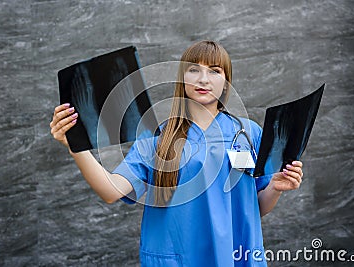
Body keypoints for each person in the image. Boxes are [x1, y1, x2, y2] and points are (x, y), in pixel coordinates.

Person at [50, 40, 303, 266]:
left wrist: (276, 188)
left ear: (226, 83)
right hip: (178, 258)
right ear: (182, 79)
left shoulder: (249, 134)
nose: (203, 79)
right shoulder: (157, 137)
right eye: (194, 70)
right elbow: (110, 191)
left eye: (214, 71)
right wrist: (77, 148)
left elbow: (256, 208)